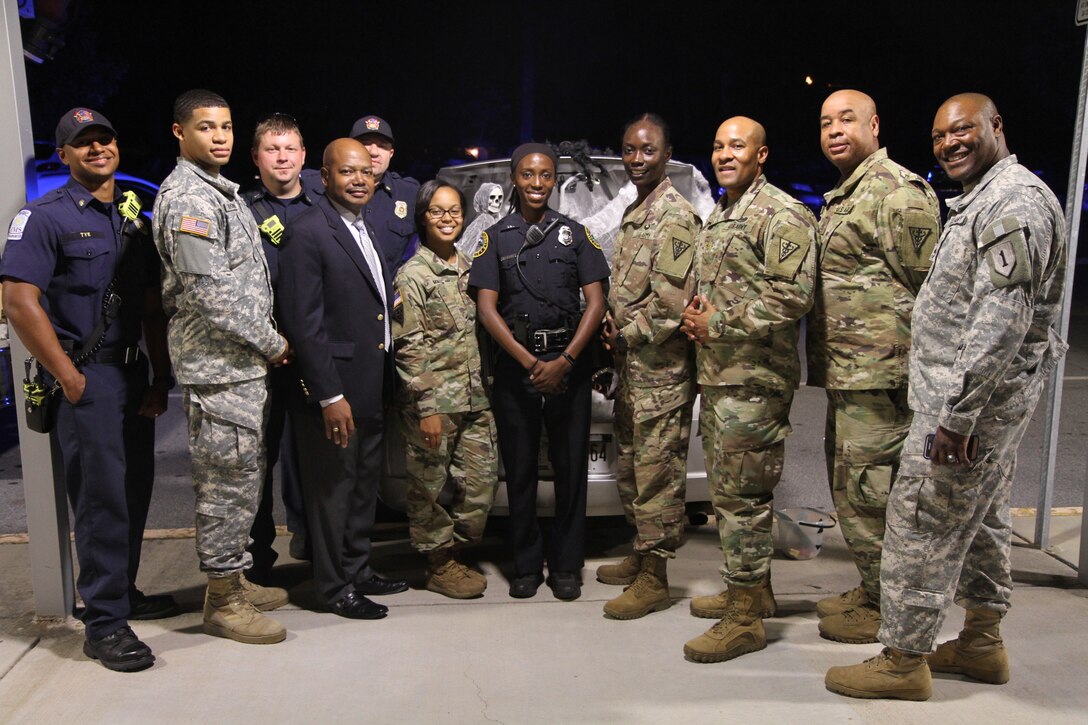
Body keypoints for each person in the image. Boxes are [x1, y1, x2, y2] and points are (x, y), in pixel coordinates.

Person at [825, 93, 1067, 701]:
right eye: (939, 137)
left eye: (963, 131)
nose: (950, 143)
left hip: (965, 411)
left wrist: (955, 418)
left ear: (996, 127)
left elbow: (1001, 322)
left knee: (918, 523)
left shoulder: (1012, 203)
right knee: (982, 521)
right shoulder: (985, 199)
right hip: (973, 407)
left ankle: (904, 660)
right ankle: (983, 643)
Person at [2, 107, 176, 671]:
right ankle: (103, 625)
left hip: (131, 375)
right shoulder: (43, 216)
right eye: (84, 144)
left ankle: (122, 596)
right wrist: (68, 376)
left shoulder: (132, 218)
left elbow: (151, 304)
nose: (97, 150)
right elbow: (17, 301)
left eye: (105, 140)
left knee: (132, 493)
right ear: (64, 156)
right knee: (100, 501)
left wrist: (158, 374)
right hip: (88, 377)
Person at [153, 89, 291, 645]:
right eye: (207, 127)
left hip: (237, 366)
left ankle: (230, 581)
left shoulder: (220, 193)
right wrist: (272, 342)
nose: (220, 136)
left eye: (227, 126)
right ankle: (225, 602)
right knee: (224, 487)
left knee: (241, 480)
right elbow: (210, 293)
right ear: (179, 133)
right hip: (220, 368)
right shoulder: (189, 199)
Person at [678, 117, 816, 662]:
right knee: (731, 495)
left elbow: (793, 295)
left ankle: (744, 620)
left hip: (754, 384)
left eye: (737, 146)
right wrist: (699, 312)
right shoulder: (724, 211)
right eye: (717, 146)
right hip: (722, 380)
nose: (725, 154)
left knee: (742, 501)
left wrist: (719, 324)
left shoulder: (779, 214)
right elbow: (726, 288)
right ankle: (754, 592)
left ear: (762, 155)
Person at [807, 90, 941, 644]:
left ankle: (891, 607)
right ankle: (873, 584)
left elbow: (930, 290)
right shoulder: (844, 196)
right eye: (825, 122)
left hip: (882, 377)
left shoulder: (897, 194)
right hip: (849, 376)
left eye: (846, 119)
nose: (835, 129)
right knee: (852, 488)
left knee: (872, 493)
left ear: (875, 124)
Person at [468, 142, 609, 600]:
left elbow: (597, 302)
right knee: (522, 472)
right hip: (518, 370)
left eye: (545, 175)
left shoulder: (575, 234)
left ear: (554, 179)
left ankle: (567, 565)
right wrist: (531, 364)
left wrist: (565, 361)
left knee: (571, 472)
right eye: (527, 175)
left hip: (569, 368)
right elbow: (488, 311)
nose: (536, 183)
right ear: (514, 178)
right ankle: (526, 565)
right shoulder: (496, 237)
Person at [277, 138, 409, 620]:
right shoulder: (307, 232)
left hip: (370, 384)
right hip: (334, 391)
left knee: (361, 486)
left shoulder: (364, 226)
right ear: (325, 176)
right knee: (333, 490)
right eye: (347, 172)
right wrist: (329, 394)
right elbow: (303, 323)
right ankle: (333, 587)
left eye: (365, 173)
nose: (359, 180)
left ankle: (357, 569)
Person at [595, 114, 699, 619]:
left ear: (667, 153)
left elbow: (672, 304)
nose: (637, 159)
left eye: (648, 150)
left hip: (662, 375)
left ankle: (656, 577)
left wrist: (624, 332)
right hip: (633, 373)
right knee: (634, 469)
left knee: (658, 474)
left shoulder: (675, 217)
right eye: (629, 150)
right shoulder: (637, 211)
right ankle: (641, 553)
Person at [392, 181, 497, 599]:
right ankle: (437, 563)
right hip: (435, 402)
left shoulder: (471, 267)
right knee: (428, 488)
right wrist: (427, 408)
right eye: (438, 211)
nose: (448, 218)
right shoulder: (412, 275)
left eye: (454, 211)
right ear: (423, 217)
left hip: (475, 397)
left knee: (481, 484)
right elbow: (408, 348)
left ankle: (458, 552)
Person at [242, 112, 313, 581]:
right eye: (273, 148)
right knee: (257, 464)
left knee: (315, 460)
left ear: (304, 155)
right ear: (256, 157)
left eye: (290, 148)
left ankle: (317, 551)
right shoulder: (242, 211)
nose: (283, 157)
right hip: (261, 360)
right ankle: (259, 563)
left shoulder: (326, 209)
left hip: (312, 358)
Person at [350, 114, 421, 273]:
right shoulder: (325, 188)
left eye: (382, 146)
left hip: (387, 294)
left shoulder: (409, 193)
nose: (373, 152)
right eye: (365, 144)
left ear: (391, 153)